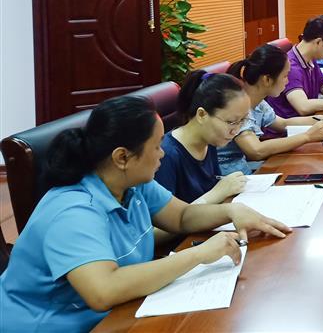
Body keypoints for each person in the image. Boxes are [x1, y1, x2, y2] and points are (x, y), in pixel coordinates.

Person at [0, 95, 290, 332]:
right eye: (156, 146)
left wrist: (231, 211)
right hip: (54, 324)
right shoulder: (74, 210)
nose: (162, 153)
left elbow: (182, 217)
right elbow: (103, 290)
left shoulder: (134, 183)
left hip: (120, 313)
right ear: (122, 157)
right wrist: (199, 254)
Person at [218, 44, 323, 175]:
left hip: (243, 173)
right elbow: (256, 151)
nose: (287, 81)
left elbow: (283, 123)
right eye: (285, 76)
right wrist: (307, 136)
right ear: (267, 79)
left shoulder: (259, 102)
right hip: (230, 178)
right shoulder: (239, 106)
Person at [155, 72, 250, 203]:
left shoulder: (209, 140)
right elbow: (168, 215)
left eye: (243, 120)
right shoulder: (166, 155)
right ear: (201, 115)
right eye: (231, 122)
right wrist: (219, 192)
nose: (236, 131)